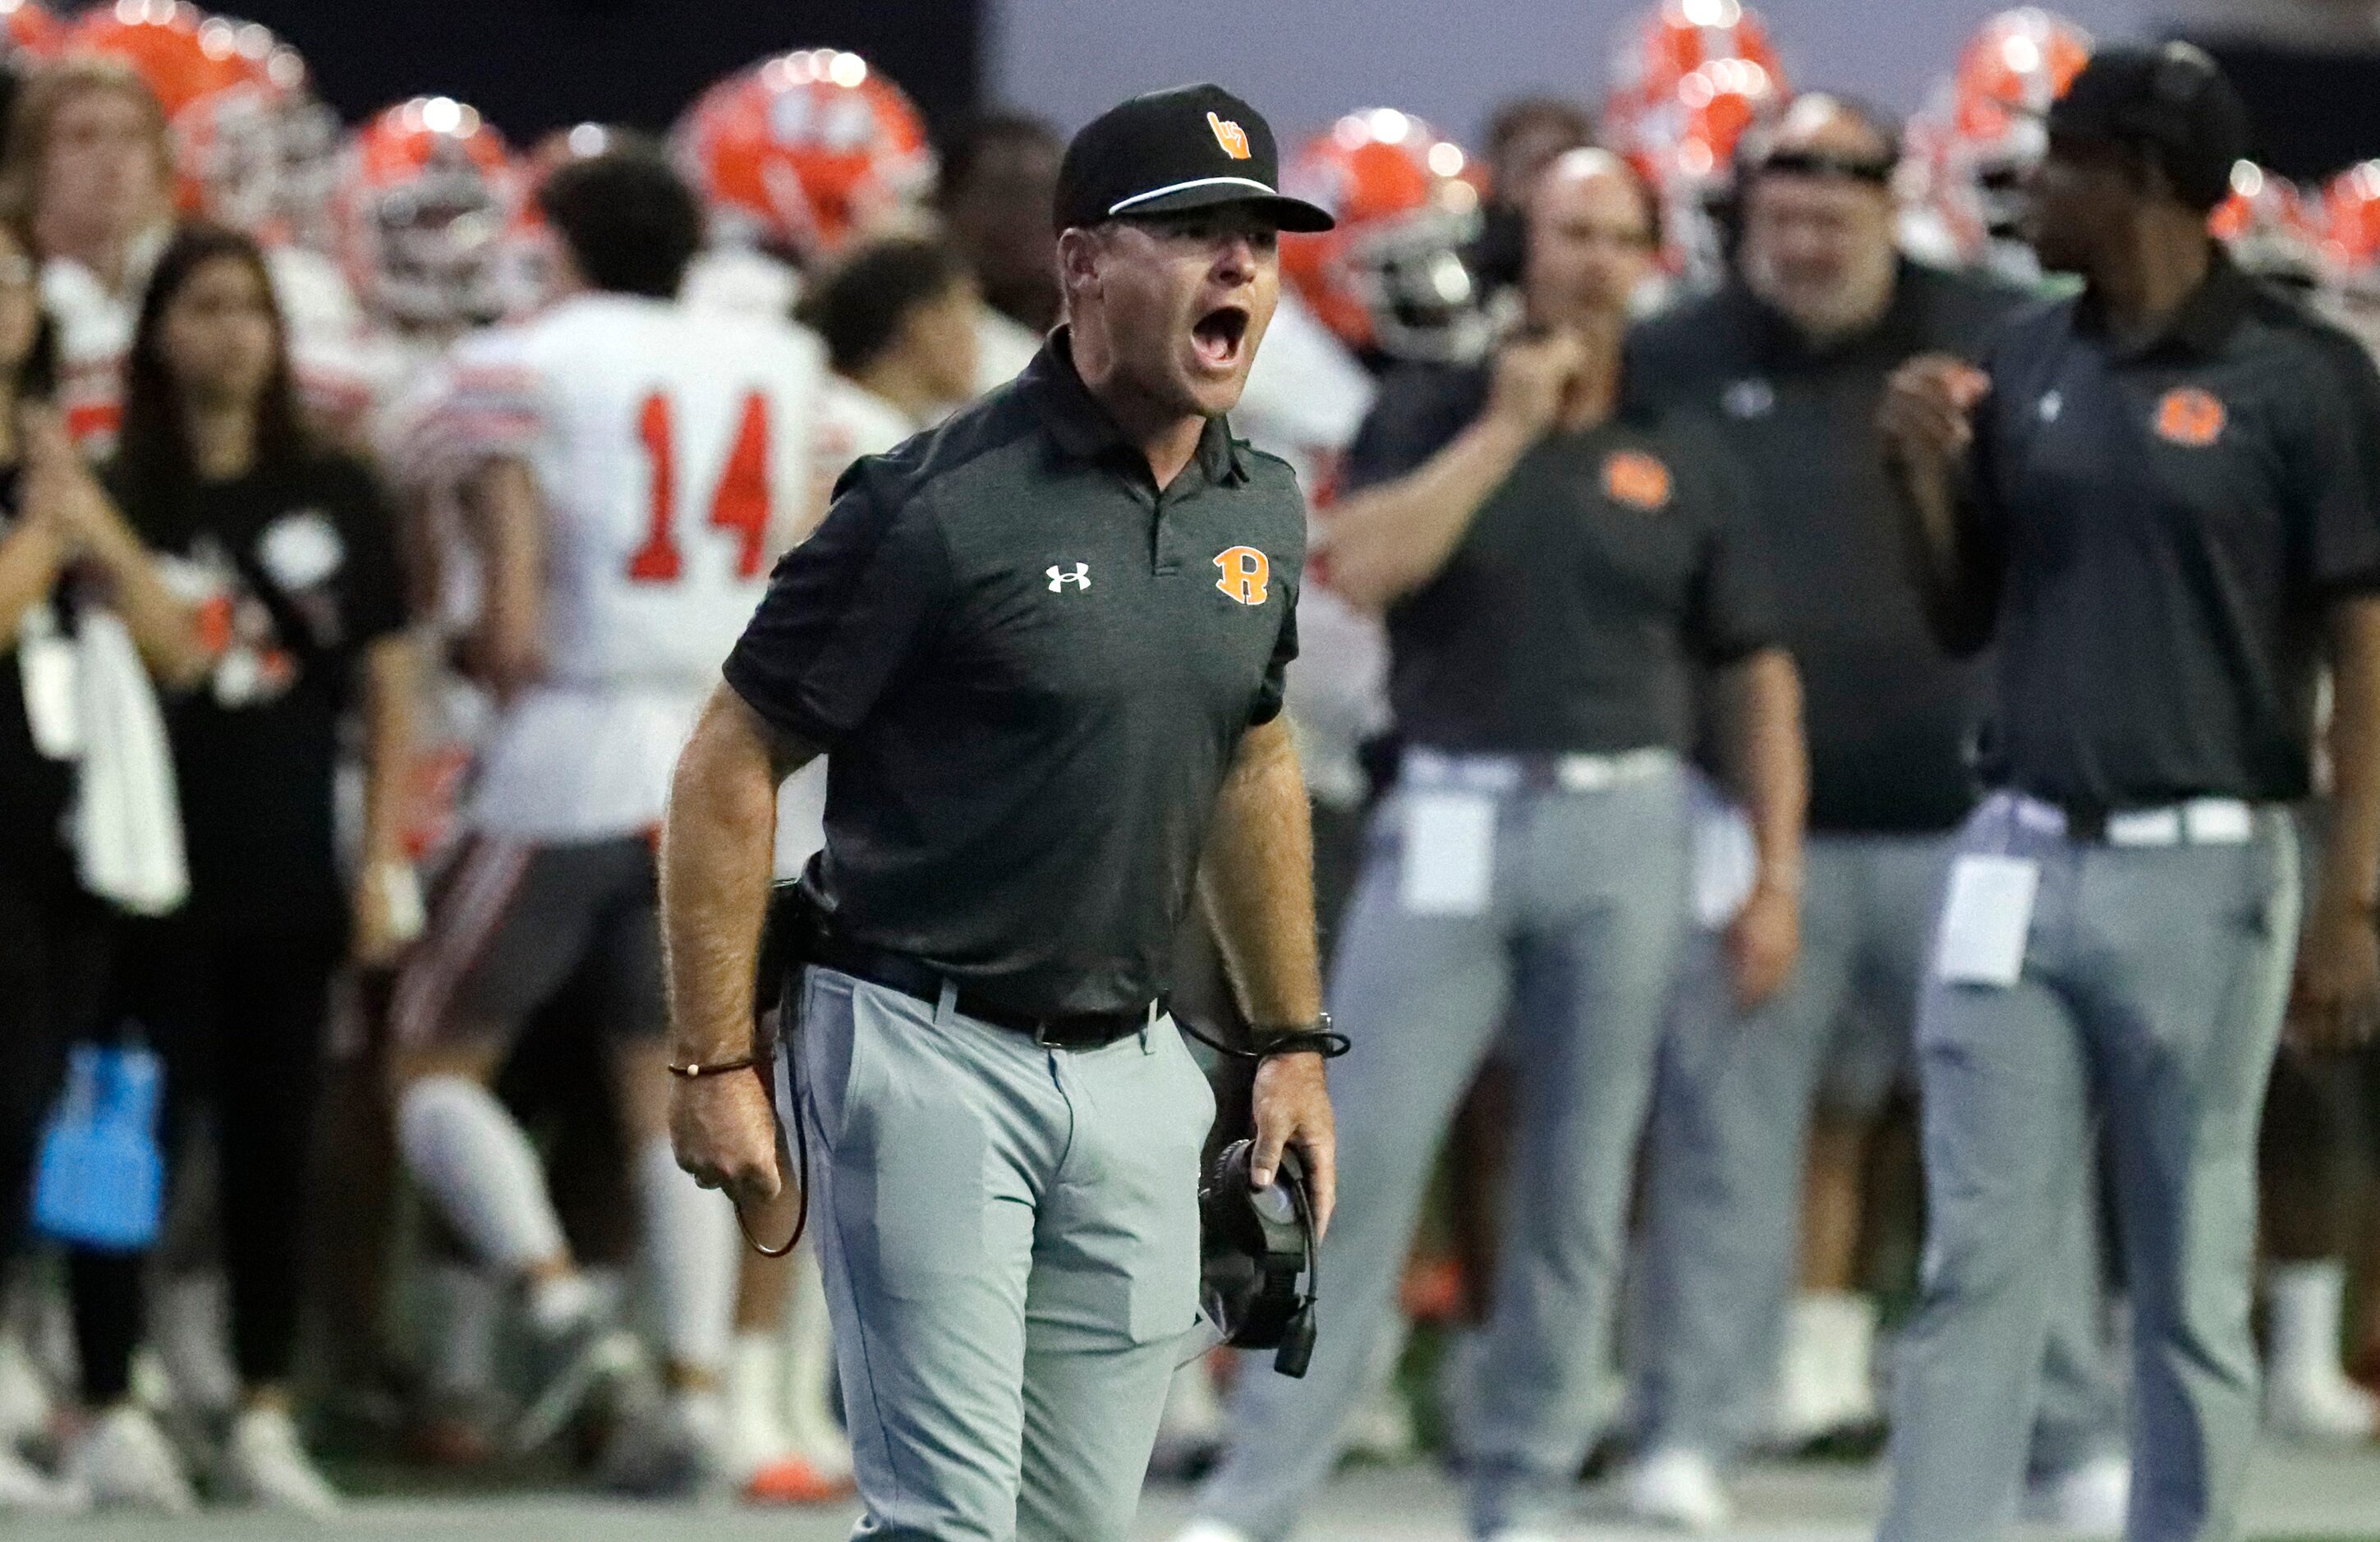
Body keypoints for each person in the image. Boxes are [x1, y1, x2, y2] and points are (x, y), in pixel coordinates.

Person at [661, 82, 1339, 1542]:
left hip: (1138, 1058)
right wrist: (714, 1055)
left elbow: (1250, 753)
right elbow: (731, 756)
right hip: (923, 1042)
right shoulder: (931, 501)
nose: (1236, 267)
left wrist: (1286, 1043)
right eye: (1190, 234)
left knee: (1073, 1528)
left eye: (1257, 242)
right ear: (1082, 262)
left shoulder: (1261, 509)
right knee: (946, 1524)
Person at [1180, 146, 1805, 1542]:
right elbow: (1362, 564)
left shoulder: (1685, 437)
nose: (1590, 260)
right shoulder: (1429, 403)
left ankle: (1519, 1481)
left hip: (1629, 812)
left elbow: (1753, 669)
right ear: (1524, 249)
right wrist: (1506, 431)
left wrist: (1771, 868)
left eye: (1615, 235)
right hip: (1451, 806)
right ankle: (1260, 1483)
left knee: (1580, 1174)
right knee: (1352, 1150)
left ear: (1650, 257)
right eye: (1568, 231)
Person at [1876, 44, 2380, 1542]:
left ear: (2142, 178)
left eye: (2056, 164)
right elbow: (1961, 614)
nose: (2026, 192)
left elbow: (2363, 644)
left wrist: (2353, 894)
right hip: (2012, 849)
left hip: (2209, 866)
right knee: (1975, 1259)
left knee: (2187, 1261)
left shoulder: (2303, 376)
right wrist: (1918, 476)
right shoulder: (2016, 360)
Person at [1621, 95, 2125, 1532]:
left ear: (1888, 199)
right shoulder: (1670, 354)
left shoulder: (1992, 329)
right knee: (1721, 1143)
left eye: (1837, 199)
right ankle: (1691, 1429)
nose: (1809, 227)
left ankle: (2068, 1435)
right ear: (1745, 215)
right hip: (1751, 823)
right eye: (1782, 203)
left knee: (2013, 1143)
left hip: (1971, 810)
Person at [384, 141, 825, 1493]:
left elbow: (502, 600)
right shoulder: (773, 360)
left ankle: (559, 1297)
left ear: (559, 242)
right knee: (678, 1076)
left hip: (569, 744)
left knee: (425, 1059)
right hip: (724, 748)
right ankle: (693, 1384)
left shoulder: (530, 358)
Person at [59, 222, 413, 1516]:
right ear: (157, 329)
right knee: (121, 1129)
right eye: (202, 307)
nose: (230, 333)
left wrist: (380, 858)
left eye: (250, 310)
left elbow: (387, 677)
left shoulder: (335, 487)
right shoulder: (118, 484)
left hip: (282, 863)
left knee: (276, 1142)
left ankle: (265, 1404)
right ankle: (109, 1395)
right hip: (136, 866)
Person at [0, 211, 202, 1515]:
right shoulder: (44, 493)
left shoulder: (63, 461)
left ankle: (68, 1378)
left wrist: (89, 520)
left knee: (55, 1115)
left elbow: (179, 646)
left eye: (11, 276)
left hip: (74, 843)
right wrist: (44, 532)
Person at [935, 109, 1064, 388]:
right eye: (1009, 194)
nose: (1035, 214)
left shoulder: (1106, 341)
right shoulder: (919, 351)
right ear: (945, 204)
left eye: (1050, 193)